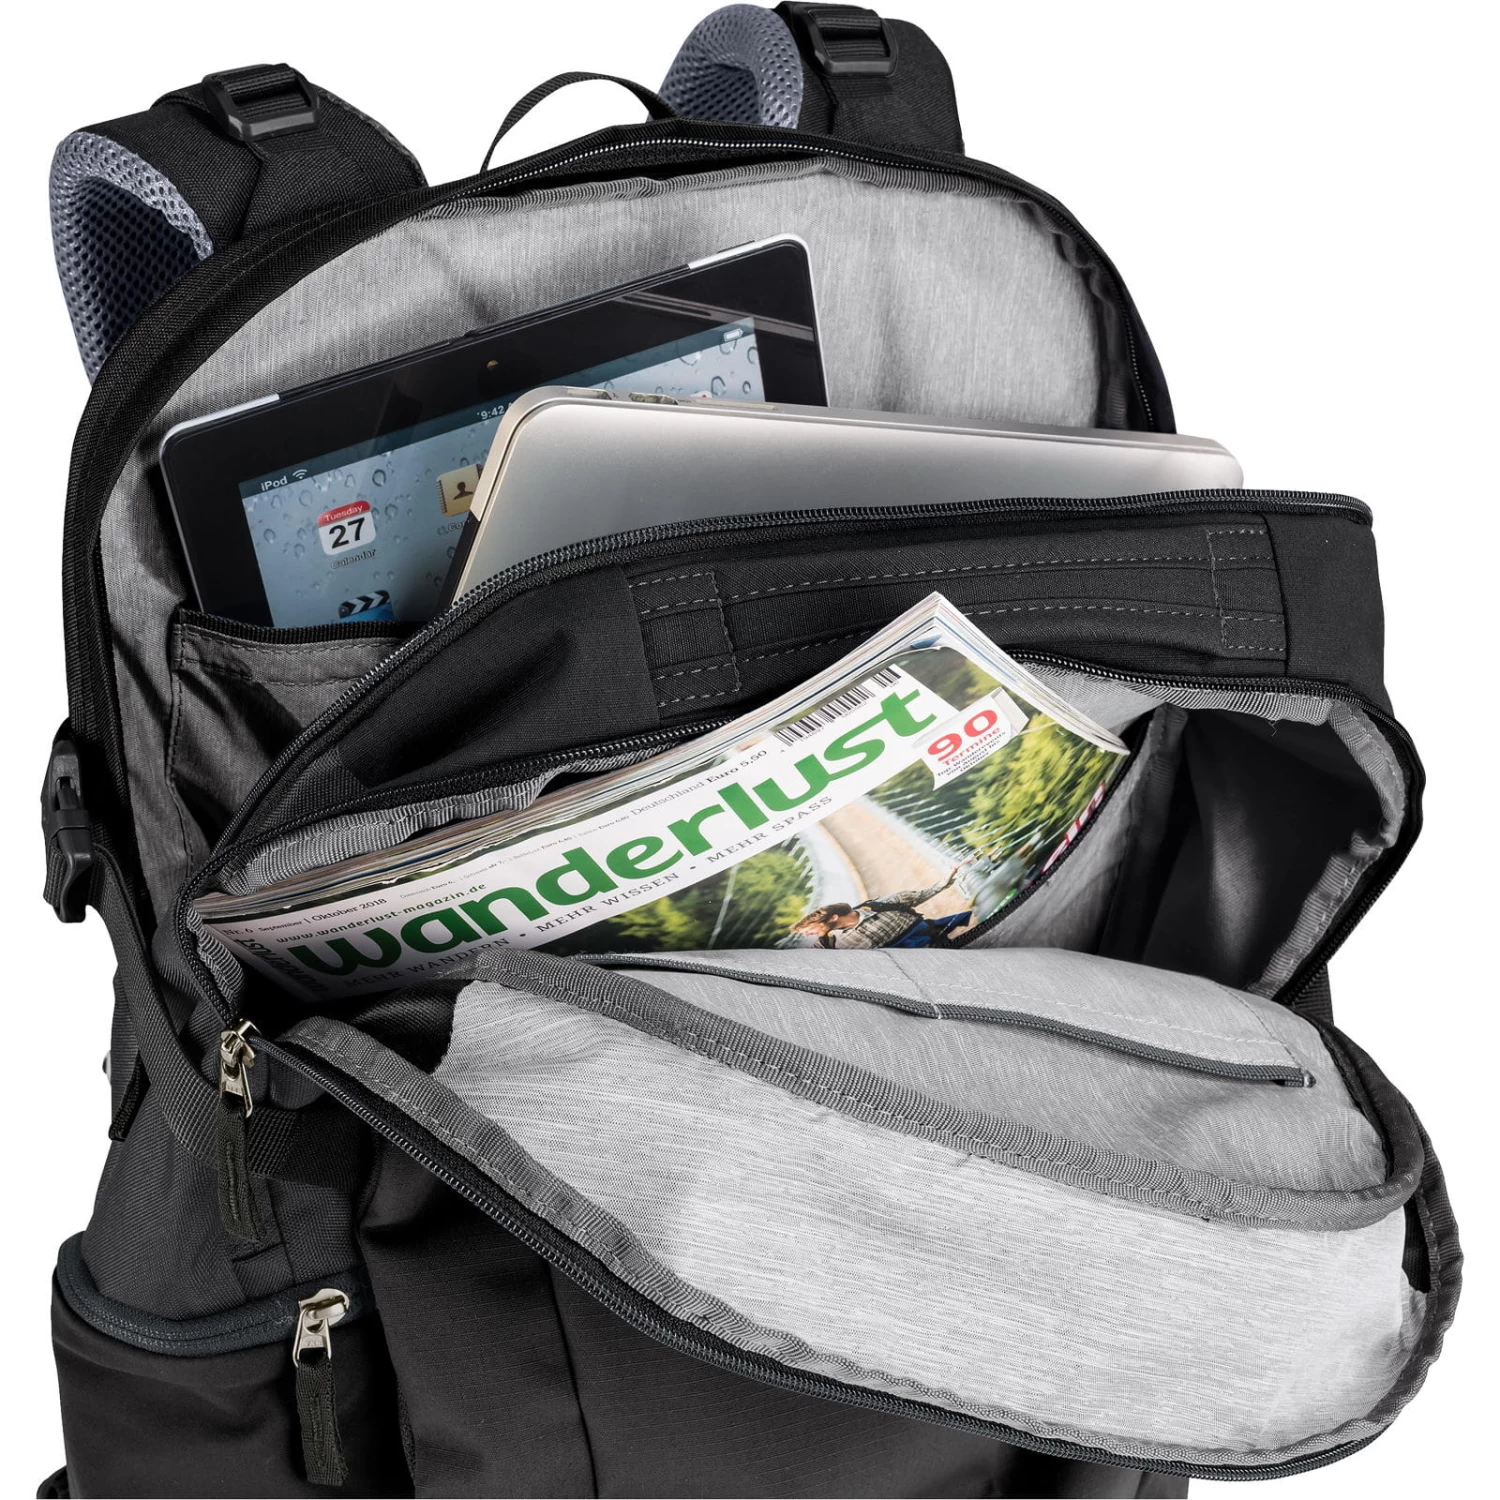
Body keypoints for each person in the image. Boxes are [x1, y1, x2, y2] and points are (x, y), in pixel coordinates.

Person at [791, 866, 973, 950]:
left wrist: (945, 881)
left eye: (809, 929)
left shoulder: (878, 907)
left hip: (934, 942)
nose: (808, 935)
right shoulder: (827, 945)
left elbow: (920, 896)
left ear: (833, 917)